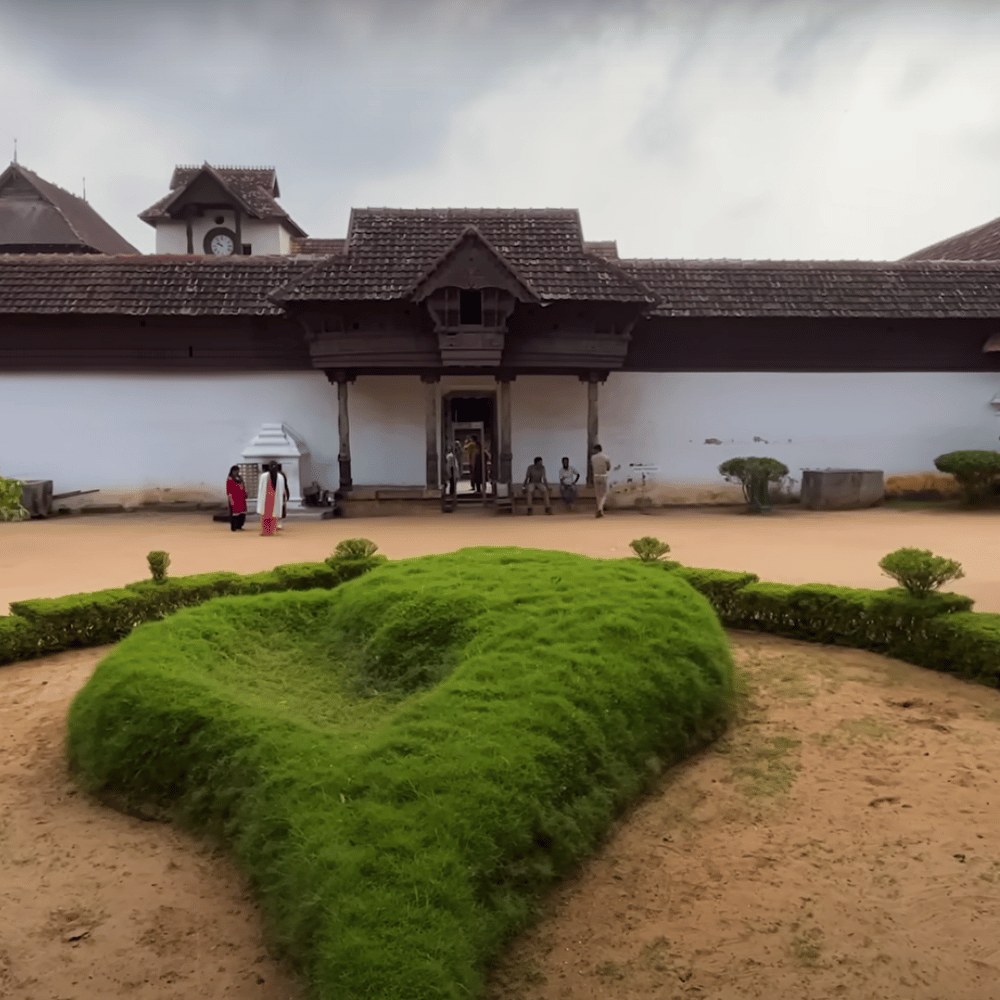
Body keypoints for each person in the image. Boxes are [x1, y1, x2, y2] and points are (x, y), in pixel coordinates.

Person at [257, 460, 287, 536]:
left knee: (272, 516)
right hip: (267, 499)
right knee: (267, 516)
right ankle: (266, 531)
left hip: (274, 499)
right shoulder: (264, 476)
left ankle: (270, 531)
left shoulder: (280, 477)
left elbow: (282, 489)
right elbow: (261, 488)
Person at [590, 444, 612, 518]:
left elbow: (592, 467)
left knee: (598, 494)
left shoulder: (593, 458)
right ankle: (600, 509)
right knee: (603, 494)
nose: (593, 451)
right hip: (603, 476)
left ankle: (600, 509)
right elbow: (608, 468)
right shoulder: (606, 457)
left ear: (596, 450)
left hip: (595, 476)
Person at [225, 465, 247, 531]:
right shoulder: (230, 479)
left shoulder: (240, 478)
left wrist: (245, 492)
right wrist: (230, 497)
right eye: (235, 471)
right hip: (234, 498)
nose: (236, 472)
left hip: (241, 498)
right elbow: (229, 489)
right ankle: (233, 527)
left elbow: (243, 486)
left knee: (242, 513)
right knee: (234, 513)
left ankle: (240, 525)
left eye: (237, 470)